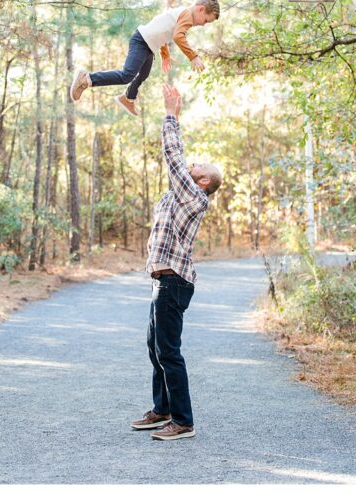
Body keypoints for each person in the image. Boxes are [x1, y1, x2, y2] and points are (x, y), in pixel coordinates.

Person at [130, 83, 221, 441]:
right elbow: (175, 166)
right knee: (155, 347)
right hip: (161, 281)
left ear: (202, 181)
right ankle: (163, 408)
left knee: (169, 350)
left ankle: (183, 421)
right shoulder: (178, 197)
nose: (191, 164)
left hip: (174, 282)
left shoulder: (195, 198)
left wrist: (172, 115)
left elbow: (173, 156)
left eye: (196, 166)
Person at [69, 0, 220, 116]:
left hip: (148, 45)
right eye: (206, 20)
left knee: (143, 74)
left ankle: (128, 98)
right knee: (127, 75)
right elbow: (178, 36)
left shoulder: (183, 14)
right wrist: (193, 56)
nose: (204, 24)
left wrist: (165, 54)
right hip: (141, 41)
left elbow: (163, 32)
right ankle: (88, 78)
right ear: (200, 9)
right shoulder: (187, 15)